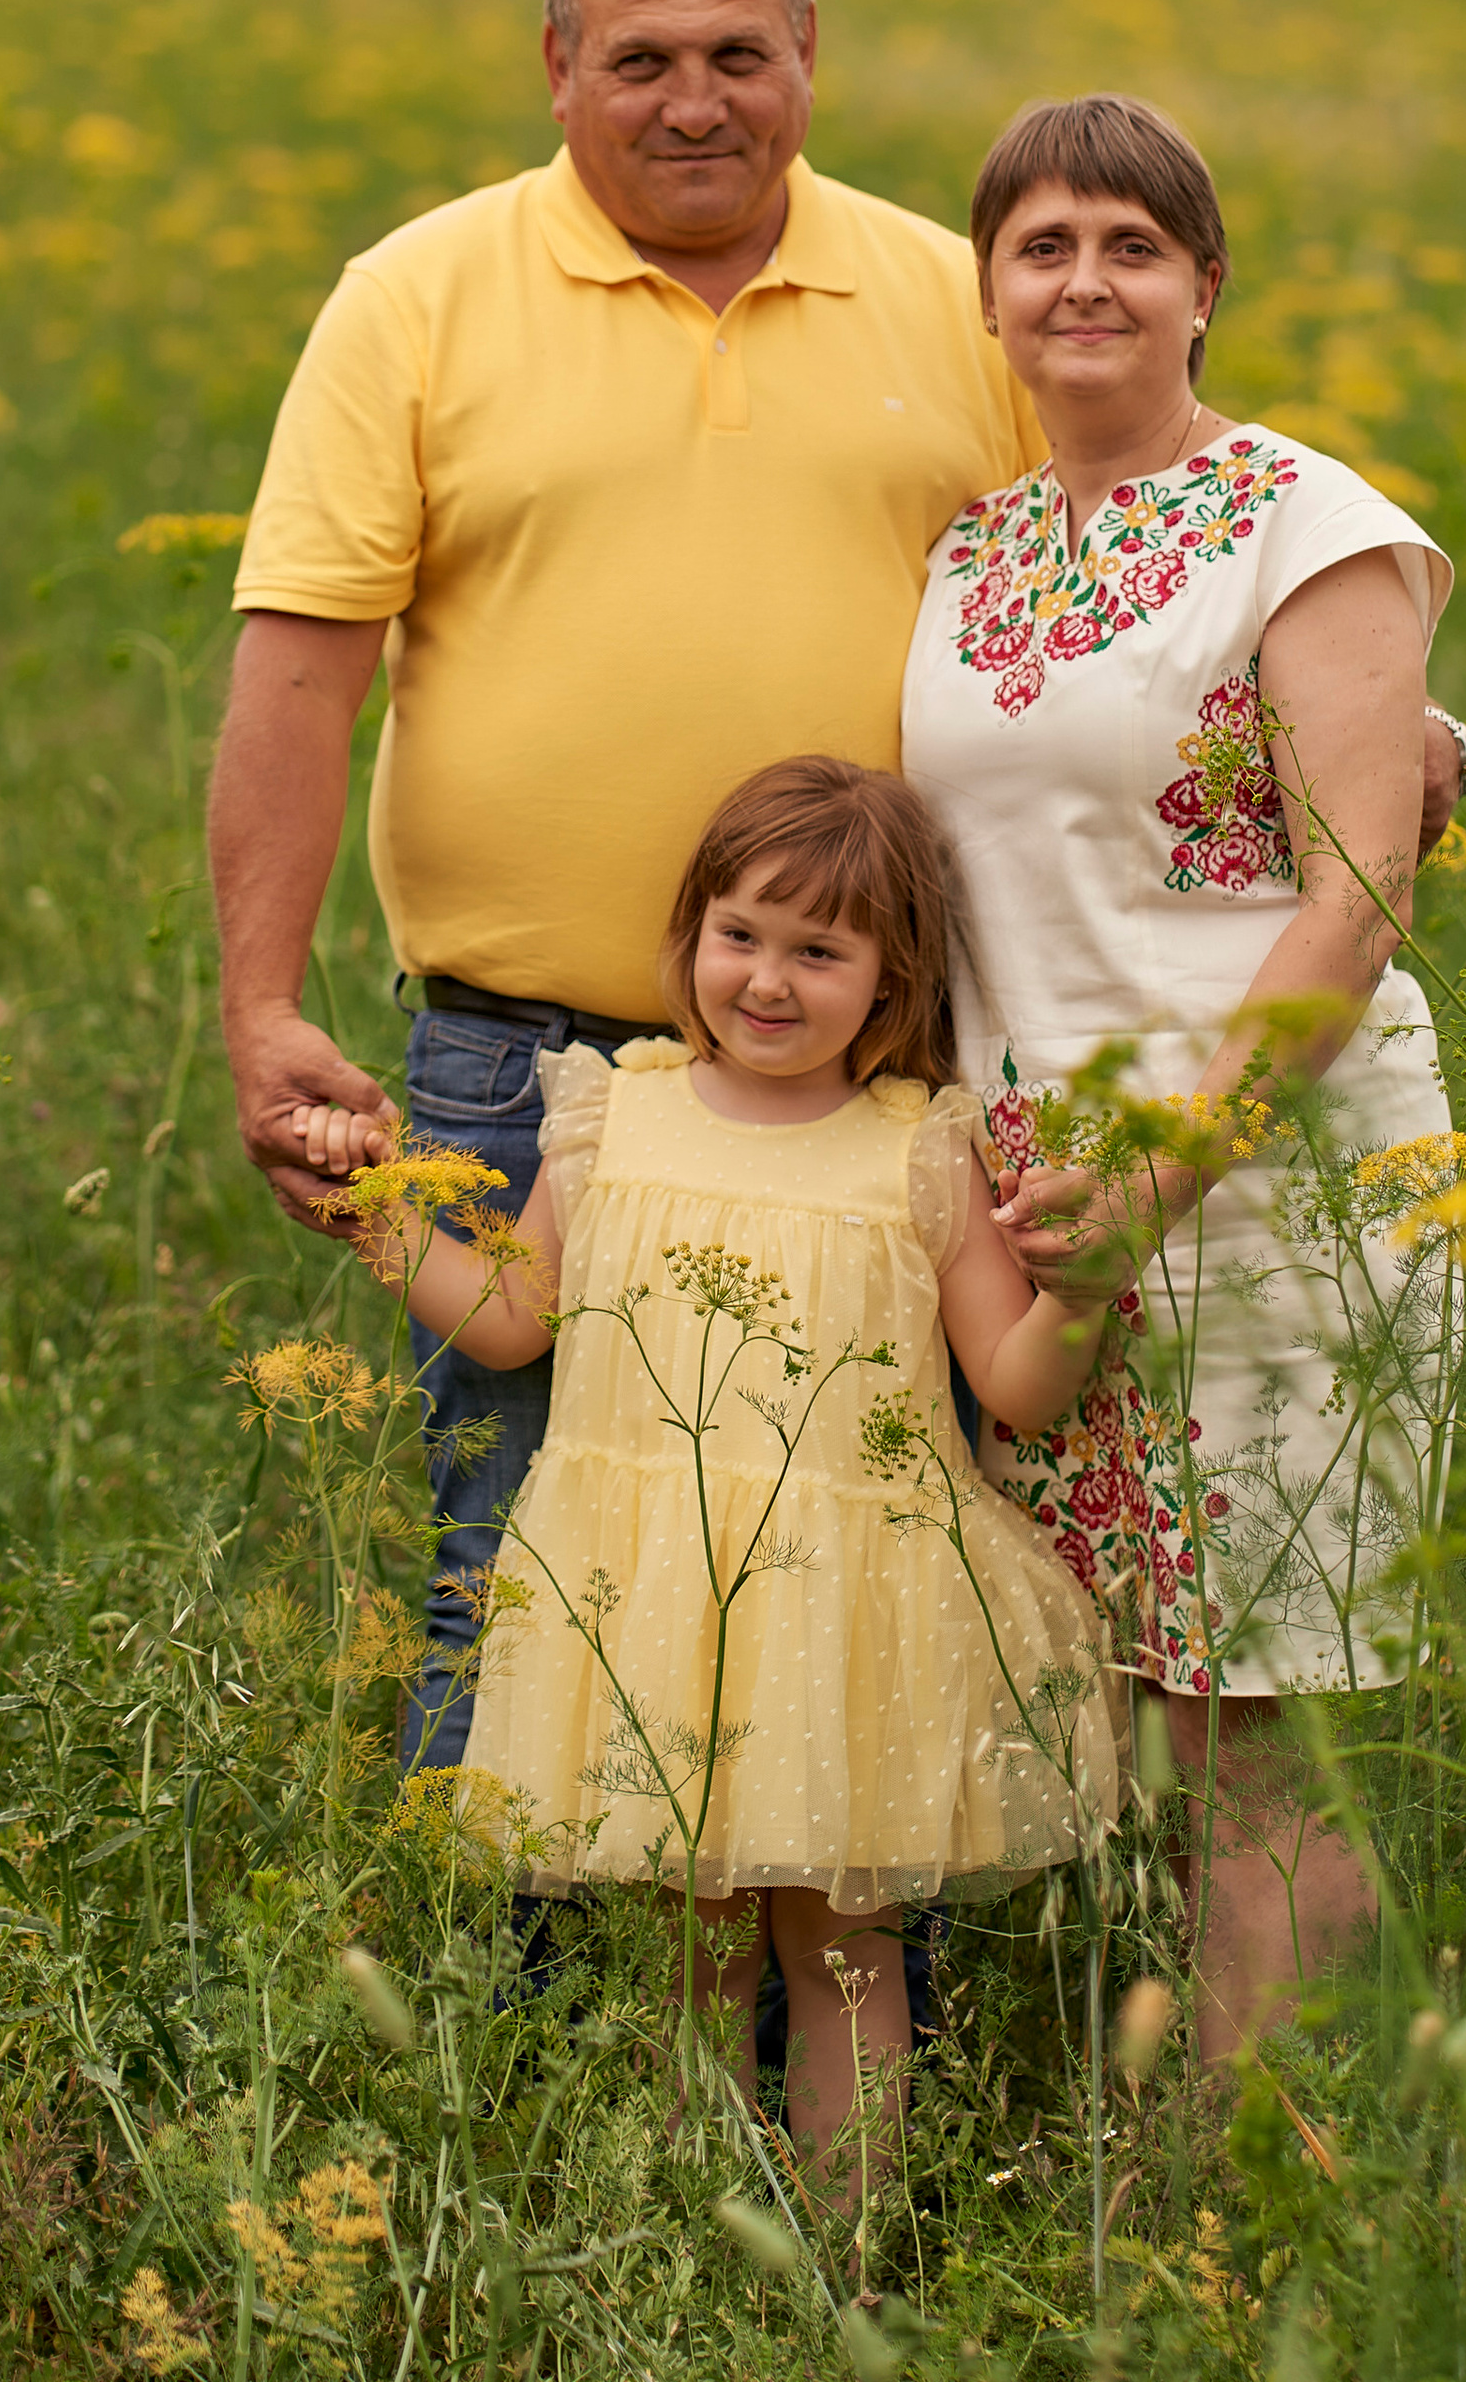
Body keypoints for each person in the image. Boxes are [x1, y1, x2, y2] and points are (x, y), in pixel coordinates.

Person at [211, 0, 1466, 1769]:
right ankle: (522, 2048)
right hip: (525, 1057)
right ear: (559, 73)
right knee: (526, 1573)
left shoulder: (936, 293)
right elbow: (303, 668)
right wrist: (259, 1000)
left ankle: (871, 2039)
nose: (693, 99)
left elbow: (1153, 511)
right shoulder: (418, 295)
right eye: (640, 59)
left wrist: (1401, 722)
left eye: (740, 54)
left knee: (873, 1583)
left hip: (888, 1084)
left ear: (810, 62)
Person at [901, 93, 1464, 2066]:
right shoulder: (969, 551)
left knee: (1257, 1741)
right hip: (1041, 1208)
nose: (1083, 281)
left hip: (1268, 1187)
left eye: (1129, 246)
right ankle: (1146, 2157)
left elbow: (1359, 884)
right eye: (1041, 245)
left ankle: (1257, 2223)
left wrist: (1164, 1168)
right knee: (1114, 1704)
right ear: (986, 292)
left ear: (1201, 287)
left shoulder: (1316, 527)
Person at [348, 757, 1121, 2174]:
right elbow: (514, 1323)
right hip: (647, 1610)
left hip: (842, 1618)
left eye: (819, 951)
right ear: (690, 938)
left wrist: (1079, 1297)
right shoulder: (607, 1118)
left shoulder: (920, 1149)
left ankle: (852, 2256)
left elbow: (1012, 1381)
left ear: (889, 985)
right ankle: (695, 2250)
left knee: (842, 1952)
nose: (768, 981)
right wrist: (378, 1218)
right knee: (689, 1950)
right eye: (739, 936)